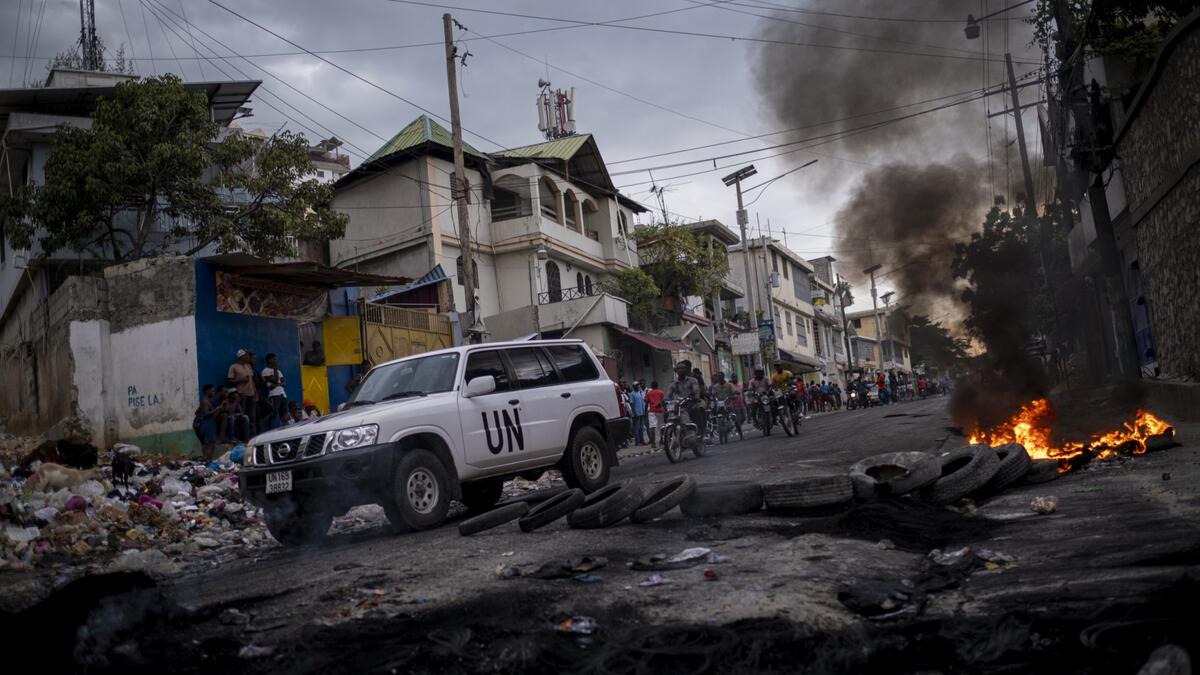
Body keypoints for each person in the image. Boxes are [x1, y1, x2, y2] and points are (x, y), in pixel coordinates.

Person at [227, 349, 259, 435]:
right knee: (242, 416)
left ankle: (252, 435)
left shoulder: (249, 366)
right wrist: (239, 380)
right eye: (247, 355)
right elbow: (229, 380)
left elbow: (252, 381)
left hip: (251, 393)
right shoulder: (233, 367)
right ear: (241, 356)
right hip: (241, 394)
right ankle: (242, 435)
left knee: (252, 416)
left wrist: (256, 393)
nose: (248, 357)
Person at [667, 362, 704, 436]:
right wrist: (663, 401)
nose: (680, 370)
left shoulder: (692, 380)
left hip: (691, 402)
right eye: (678, 368)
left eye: (682, 368)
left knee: (699, 408)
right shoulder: (674, 384)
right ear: (676, 371)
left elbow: (696, 390)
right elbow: (668, 395)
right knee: (667, 413)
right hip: (679, 405)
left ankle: (700, 431)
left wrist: (696, 397)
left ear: (686, 370)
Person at [262, 353, 288, 430]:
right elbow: (275, 380)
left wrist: (276, 384)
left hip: (283, 394)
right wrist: (275, 369)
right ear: (269, 360)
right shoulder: (265, 371)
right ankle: (271, 432)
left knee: (284, 415)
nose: (276, 360)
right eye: (274, 359)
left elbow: (284, 383)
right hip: (274, 395)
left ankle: (284, 431)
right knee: (273, 414)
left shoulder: (279, 371)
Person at [193, 384, 219, 460]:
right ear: (207, 391)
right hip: (204, 425)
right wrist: (217, 409)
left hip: (199, 425)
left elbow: (196, 412)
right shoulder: (205, 401)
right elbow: (206, 413)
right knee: (210, 444)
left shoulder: (204, 401)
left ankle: (206, 460)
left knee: (205, 444)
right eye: (212, 391)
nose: (214, 392)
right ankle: (208, 460)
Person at [645, 381, 665, 449]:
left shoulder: (649, 393)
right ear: (657, 385)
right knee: (661, 426)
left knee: (652, 427)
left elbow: (646, 402)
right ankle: (661, 440)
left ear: (651, 386)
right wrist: (665, 409)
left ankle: (653, 443)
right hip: (659, 410)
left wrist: (645, 411)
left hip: (651, 411)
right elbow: (663, 401)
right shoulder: (661, 392)